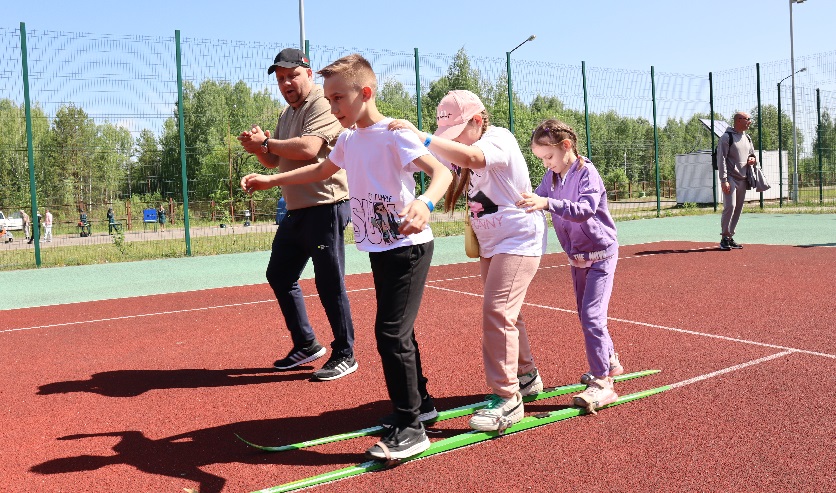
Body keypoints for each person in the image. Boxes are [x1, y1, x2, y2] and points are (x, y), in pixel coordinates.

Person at [241, 53, 452, 461]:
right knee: (400, 333)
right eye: (329, 99)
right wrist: (272, 179)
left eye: (338, 98)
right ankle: (421, 405)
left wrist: (425, 202)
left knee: (390, 334)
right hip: (379, 248)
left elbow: (441, 172)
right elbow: (319, 171)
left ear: (365, 93)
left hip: (409, 247)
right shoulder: (350, 140)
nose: (332, 106)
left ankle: (411, 428)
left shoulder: (394, 134)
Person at [390, 90, 547, 433]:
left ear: (477, 120)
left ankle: (507, 397)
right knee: (507, 312)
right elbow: (426, 163)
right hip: (493, 242)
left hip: (518, 237)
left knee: (497, 312)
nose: (453, 140)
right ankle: (526, 376)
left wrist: (423, 136)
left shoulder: (498, 138)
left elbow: (473, 158)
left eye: (457, 132)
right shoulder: (459, 146)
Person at [237, 47, 358, 382]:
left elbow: (309, 148)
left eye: (292, 75)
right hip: (297, 210)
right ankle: (306, 344)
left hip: (326, 206)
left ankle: (345, 353)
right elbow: (274, 161)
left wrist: (267, 143)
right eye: (280, 78)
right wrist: (258, 148)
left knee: (329, 282)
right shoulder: (286, 113)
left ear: (308, 73)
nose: (286, 83)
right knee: (279, 274)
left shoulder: (322, 103)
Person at [518, 119, 624, 414]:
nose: (546, 164)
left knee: (592, 317)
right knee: (585, 315)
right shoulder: (552, 177)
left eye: (548, 157)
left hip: (601, 256)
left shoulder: (587, 172)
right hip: (577, 257)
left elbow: (586, 210)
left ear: (566, 146)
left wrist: (547, 204)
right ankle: (609, 360)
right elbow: (535, 197)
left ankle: (603, 382)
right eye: (541, 159)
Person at [717, 111, 756, 251]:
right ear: (739, 120)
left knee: (738, 208)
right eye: (747, 119)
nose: (750, 121)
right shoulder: (726, 137)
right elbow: (721, 159)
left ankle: (730, 236)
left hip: (743, 179)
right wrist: (724, 180)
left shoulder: (748, 138)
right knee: (730, 206)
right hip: (730, 178)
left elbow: (752, 154)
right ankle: (724, 238)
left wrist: (752, 159)